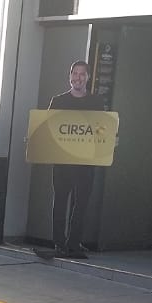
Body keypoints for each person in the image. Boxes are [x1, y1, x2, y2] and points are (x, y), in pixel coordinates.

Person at [40, 60, 105, 260]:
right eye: (74, 74)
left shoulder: (96, 102)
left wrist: (110, 140)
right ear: (70, 77)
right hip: (62, 162)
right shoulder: (58, 101)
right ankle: (59, 244)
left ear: (87, 78)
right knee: (60, 202)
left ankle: (74, 243)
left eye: (82, 74)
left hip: (85, 163)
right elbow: (48, 129)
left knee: (81, 204)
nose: (78, 77)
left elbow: (100, 129)